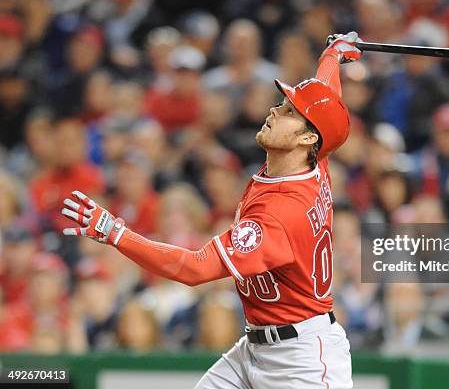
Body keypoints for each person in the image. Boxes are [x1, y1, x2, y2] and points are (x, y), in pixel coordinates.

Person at [59, 32, 362, 388]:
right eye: (282, 104)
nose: (274, 111)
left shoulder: (282, 213)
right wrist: (331, 58)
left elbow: (194, 268)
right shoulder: (314, 160)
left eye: (288, 112)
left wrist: (117, 234)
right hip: (257, 345)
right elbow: (327, 103)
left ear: (307, 138)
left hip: (302, 363)